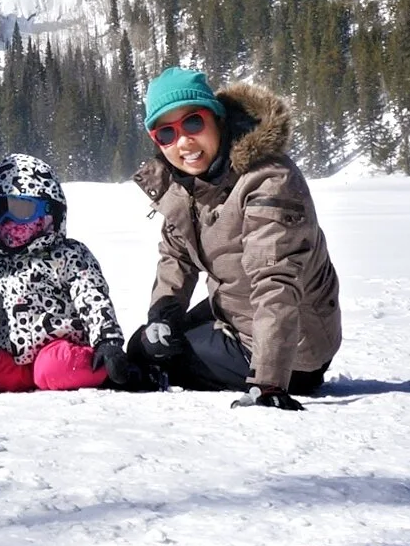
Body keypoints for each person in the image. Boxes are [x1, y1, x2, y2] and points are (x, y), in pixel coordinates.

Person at [126, 67, 341, 409]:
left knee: (149, 358)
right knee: (149, 344)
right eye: (166, 133)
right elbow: (176, 257)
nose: (183, 142)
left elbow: (276, 281)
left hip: (294, 351)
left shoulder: (267, 180)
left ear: (218, 119)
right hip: (237, 311)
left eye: (193, 123)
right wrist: (162, 319)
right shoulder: (185, 184)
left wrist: (268, 383)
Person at [0, 154, 131, 393]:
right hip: (12, 354)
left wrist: (108, 341)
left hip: (60, 349)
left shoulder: (68, 254)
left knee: (52, 368)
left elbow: (92, 297)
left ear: (48, 214)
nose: (7, 221)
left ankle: (107, 369)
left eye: (21, 210)